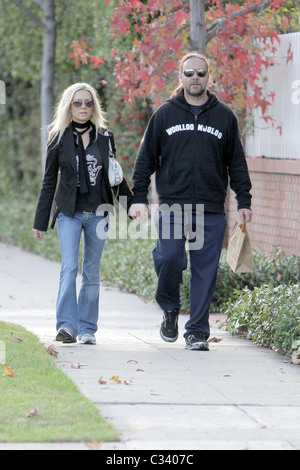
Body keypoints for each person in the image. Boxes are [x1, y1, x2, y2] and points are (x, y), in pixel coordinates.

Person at [129, 52, 252, 351]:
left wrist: (244, 199)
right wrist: (139, 197)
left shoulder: (224, 116)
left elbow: (236, 163)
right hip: (172, 204)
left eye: (200, 73)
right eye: (189, 73)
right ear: (180, 77)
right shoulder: (164, 114)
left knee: (205, 270)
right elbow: (145, 161)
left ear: (209, 76)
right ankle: (170, 308)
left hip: (211, 207)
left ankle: (197, 331)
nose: (194, 77)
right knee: (169, 257)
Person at [33, 83, 132, 345]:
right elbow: (48, 182)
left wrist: (132, 206)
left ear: (94, 106)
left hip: (99, 212)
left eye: (88, 103)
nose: (83, 108)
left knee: (91, 271)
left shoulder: (105, 136)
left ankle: (87, 328)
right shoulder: (57, 138)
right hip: (69, 212)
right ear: (68, 105)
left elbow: (115, 176)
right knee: (69, 267)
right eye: (77, 103)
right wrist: (40, 222)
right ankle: (67, 325)